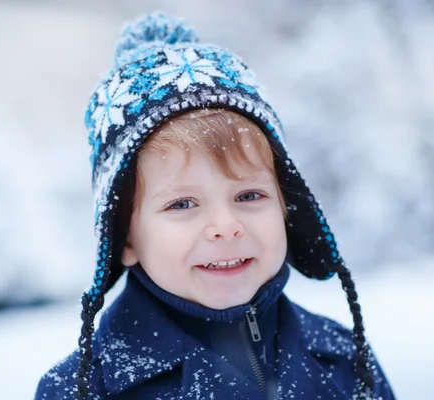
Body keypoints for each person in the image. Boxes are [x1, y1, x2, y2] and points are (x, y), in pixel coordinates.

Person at [35, 11, 395, 400]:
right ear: (125, 237)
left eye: (248, 196)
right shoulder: (84, 390)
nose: (226, 225)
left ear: (288, 206)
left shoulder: (343, 359)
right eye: (183, 204)